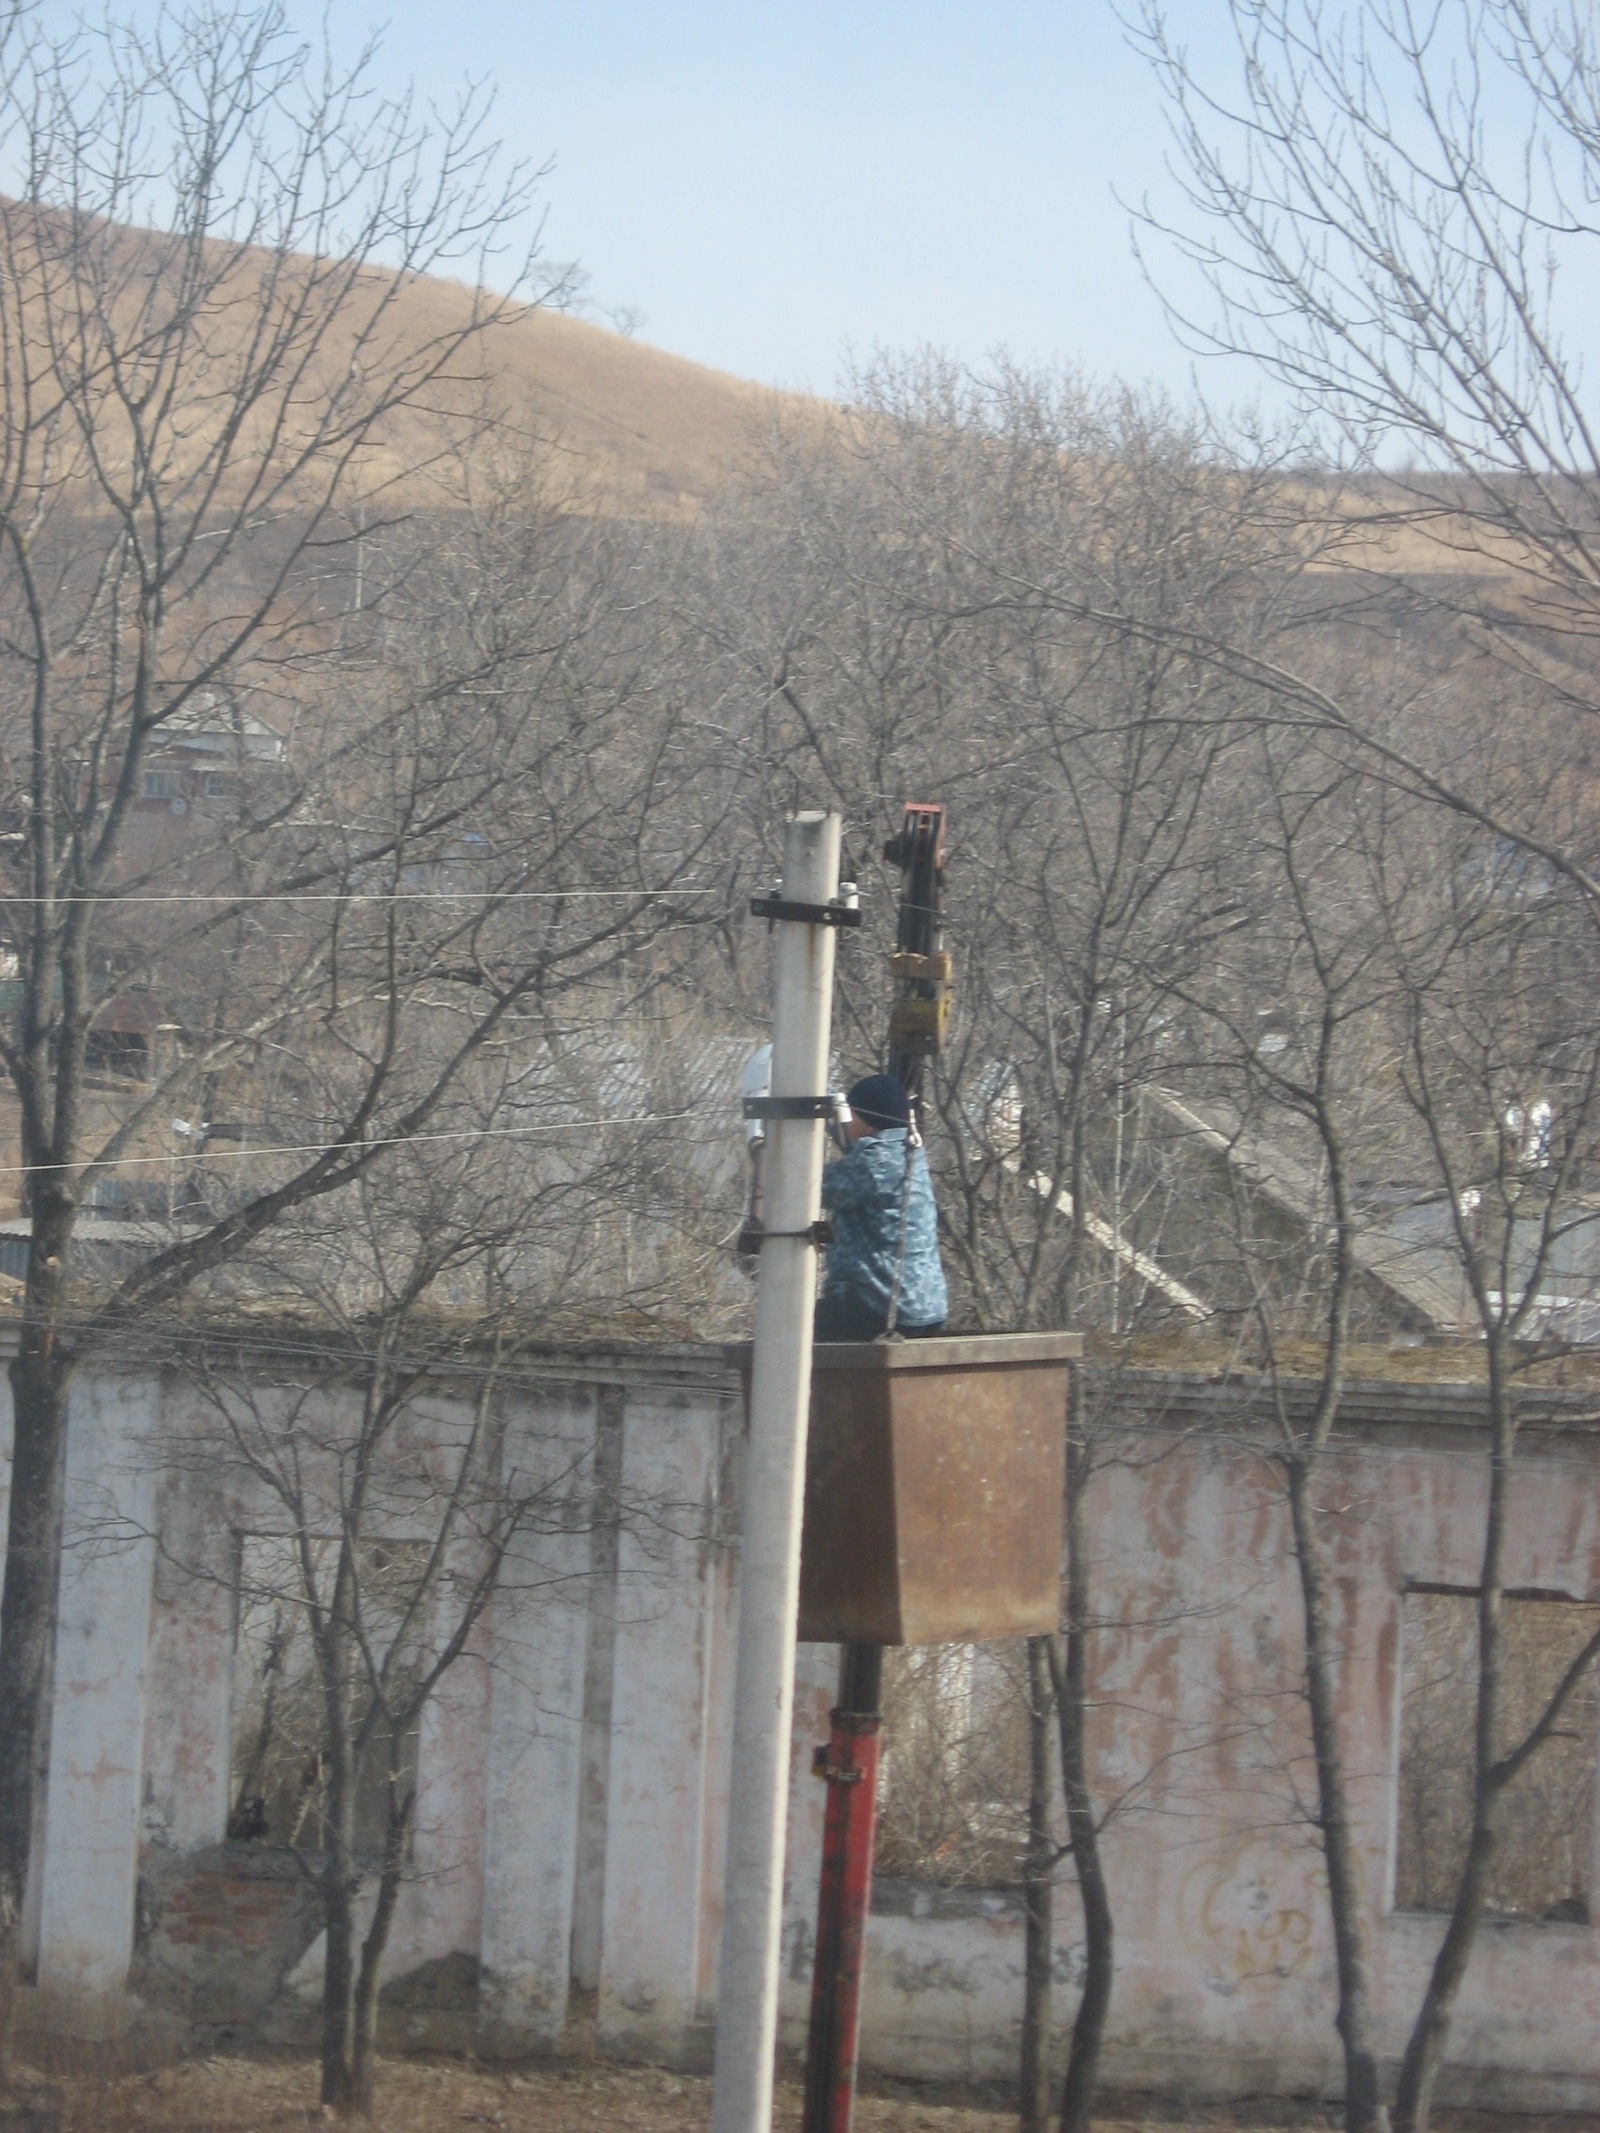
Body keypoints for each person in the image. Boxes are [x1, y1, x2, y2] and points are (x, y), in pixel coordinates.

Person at [814, 1073, 948, 1341]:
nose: (845, 1121)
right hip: (926, 1308)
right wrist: (814, 1087)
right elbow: (848, 1131)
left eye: (850, 1114)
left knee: (792, 1331)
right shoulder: (910, 1153)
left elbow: (806, 1188)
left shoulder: (872, 1166)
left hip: (880, 1309)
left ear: (867, 1125)